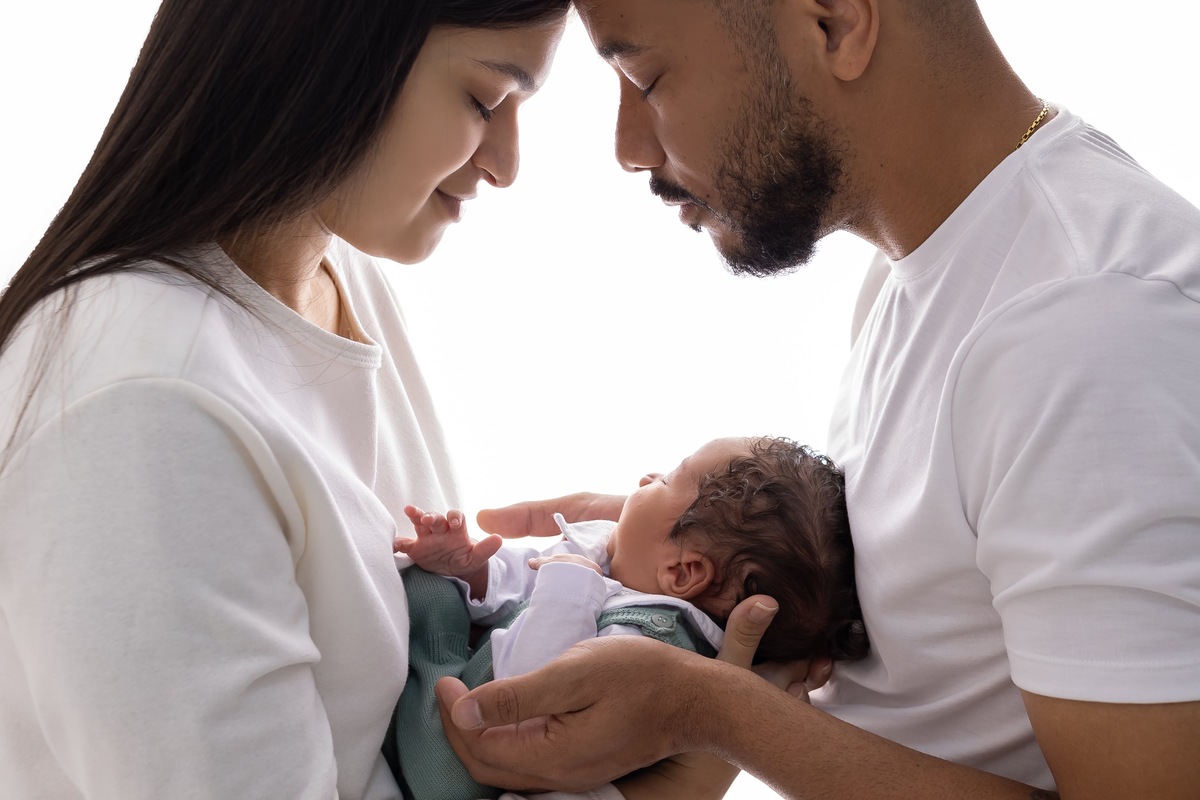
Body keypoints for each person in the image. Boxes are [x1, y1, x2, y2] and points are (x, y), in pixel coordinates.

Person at [433, 1, 1200, 798]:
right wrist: (663, 555)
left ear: (834, 22)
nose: (628, 149)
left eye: (645, 77)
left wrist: (708, 711)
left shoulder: (1087, 326)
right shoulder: (931, 272)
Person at [0, 1, 585, 798]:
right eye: (485, 100)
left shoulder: (335, 278)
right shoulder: (147, 403)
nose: (507, 162)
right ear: (333, 50)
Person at [391, 436, 867, 799]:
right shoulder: (614, 563)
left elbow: (529, 693)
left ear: (683, 573)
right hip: (471, 714)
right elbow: (516, 592)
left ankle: (423, 668)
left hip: (456, 765)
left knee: (425, 594)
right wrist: (472, 570)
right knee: (437, 584)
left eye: (664, 482)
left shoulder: (649, 637)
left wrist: (569, 586)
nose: (644, 479)